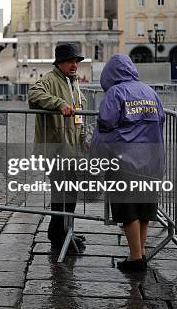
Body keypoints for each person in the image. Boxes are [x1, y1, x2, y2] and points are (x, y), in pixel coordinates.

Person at [92, 54, 165, 272]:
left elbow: (105, 128)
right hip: (152, 161)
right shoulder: (149, 91)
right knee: (144, 211)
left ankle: (135, 258)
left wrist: (96, 156)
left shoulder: (115, 93)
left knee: (128, 211)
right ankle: (140, 253)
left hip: (125, 161)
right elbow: (160, 123)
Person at [28, 43, 87, 250]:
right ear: (60, 63)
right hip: (56, 149)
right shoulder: (49, 79)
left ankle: (62, 231)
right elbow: (33, 94)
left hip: (71, 147)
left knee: (68, 193)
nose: (74, 65)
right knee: (62, 194)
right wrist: (58, 104)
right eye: (70, 61)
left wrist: (83, 137)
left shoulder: (73, 82)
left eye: (76, 61)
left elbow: (79, 111)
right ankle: (60, 236)